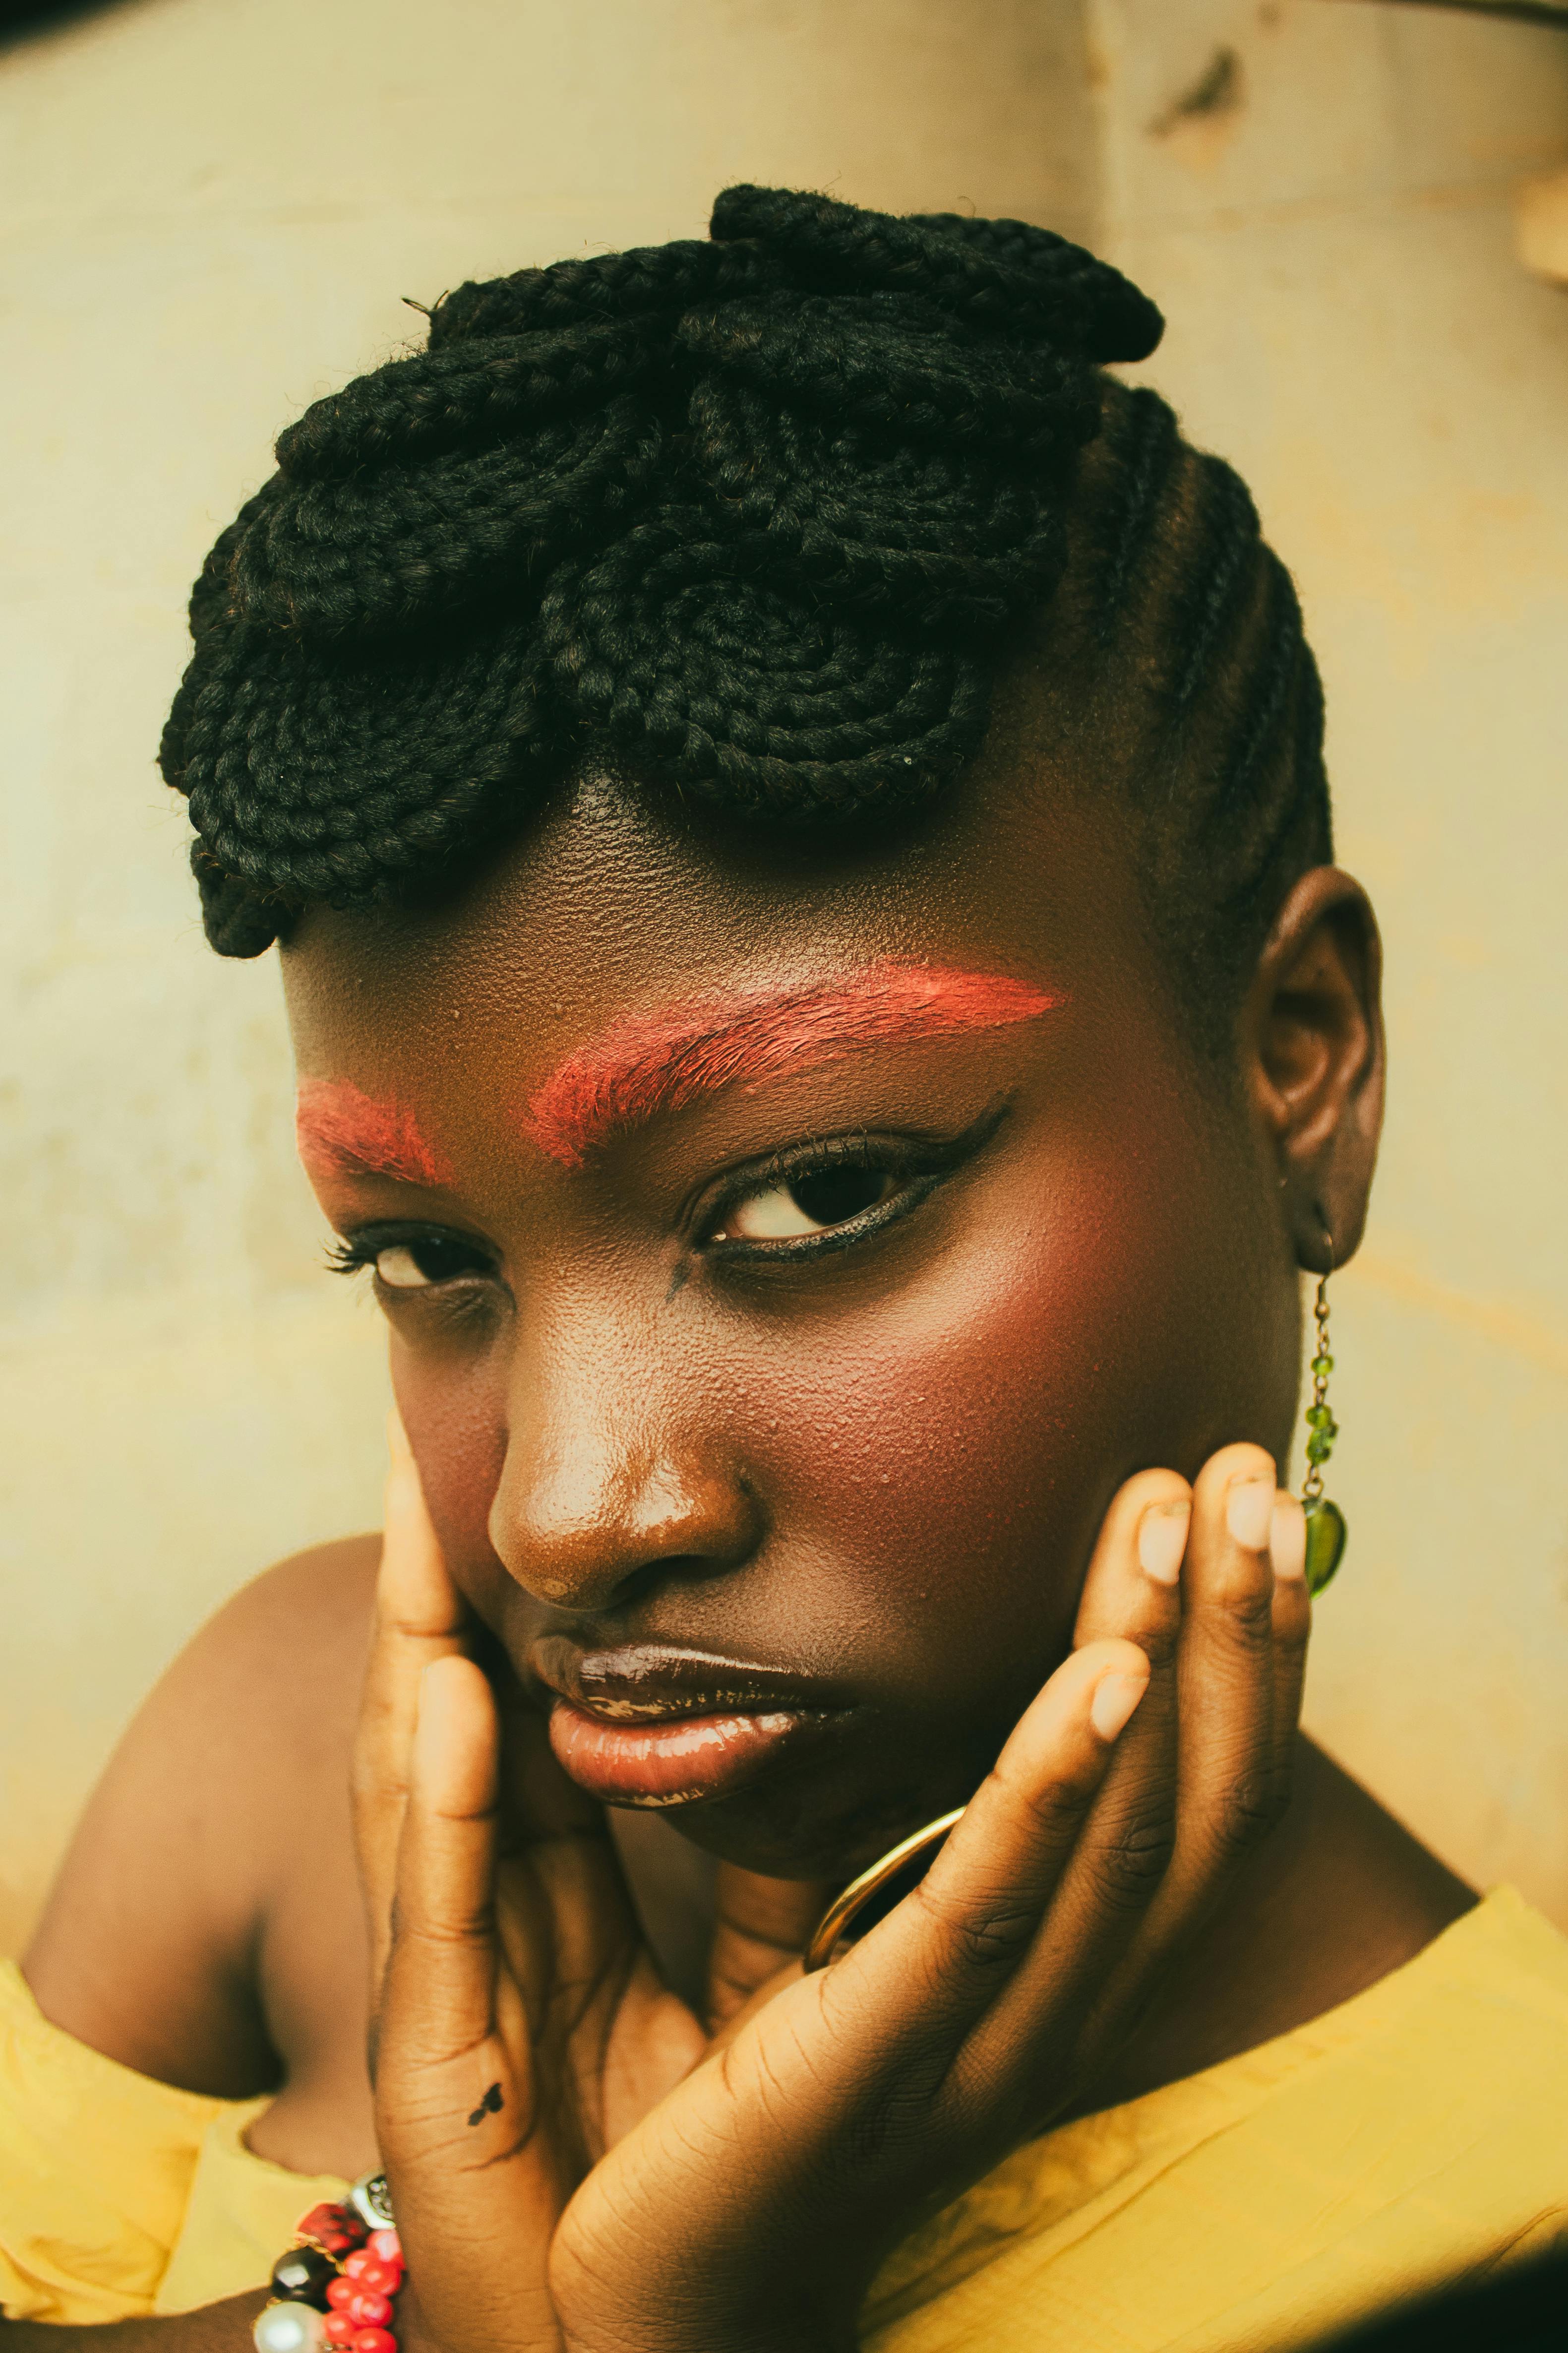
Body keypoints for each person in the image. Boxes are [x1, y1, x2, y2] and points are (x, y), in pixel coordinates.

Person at [4, 186, 1567, 2353]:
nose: (560, 1511)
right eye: (425, 1255)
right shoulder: (289, 1746)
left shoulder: (1494, 2209)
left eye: (815, 1196)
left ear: (1296, 1063)